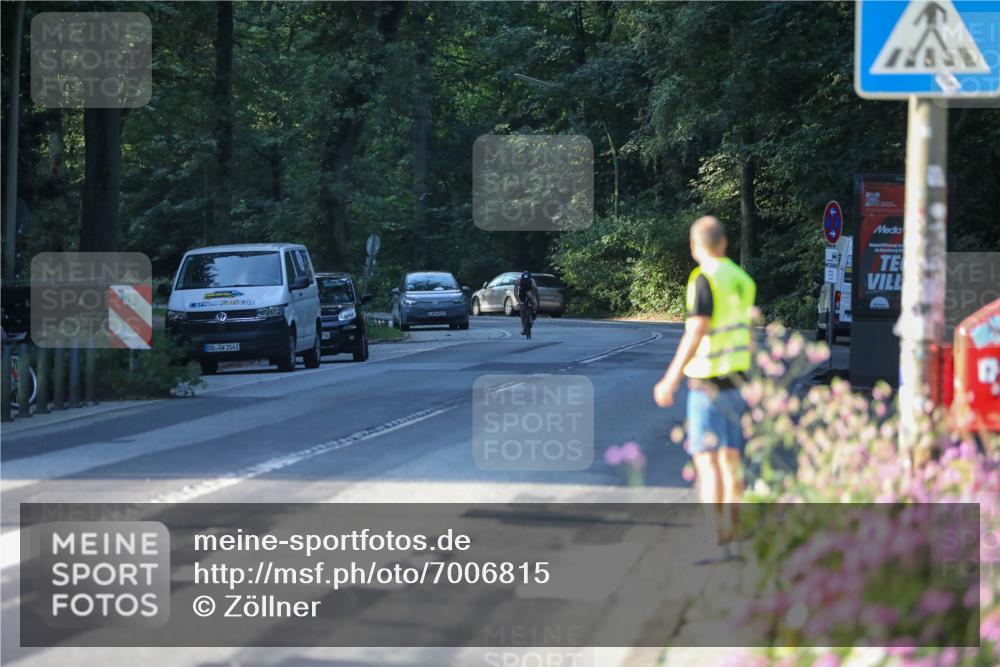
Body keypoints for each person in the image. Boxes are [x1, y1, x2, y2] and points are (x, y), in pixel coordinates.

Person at [653, 215, 756, 554]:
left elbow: (697, 329)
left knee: (707, 461)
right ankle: (734, 530)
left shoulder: (703, 278)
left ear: (695, 247)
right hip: (739, 381)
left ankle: (715, 537)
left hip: (708, 385)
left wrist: (671, 378)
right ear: (724, 243)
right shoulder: (742, 279)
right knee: (731, 459)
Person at [514, 271, 540, 336]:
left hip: (530, 290)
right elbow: (515, 293)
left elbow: (536, 294)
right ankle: (523, 328)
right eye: (524, 281)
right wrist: (519, 302)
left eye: (526, 281)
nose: (525, 282)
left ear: (529, 279)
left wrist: (536, 304)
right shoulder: (518, 281)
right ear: (522, 279)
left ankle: (532, 314)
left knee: (531, 297)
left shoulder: (532, 282)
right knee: (522, 309)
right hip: (522, 291)